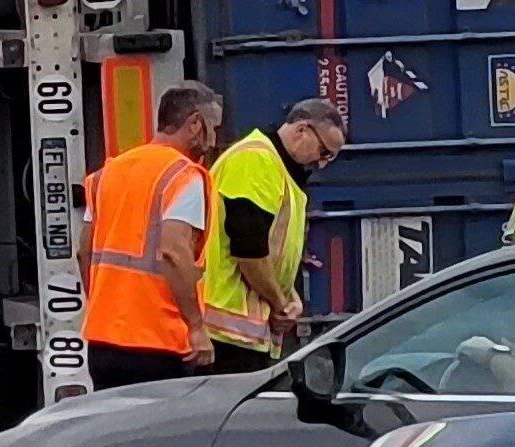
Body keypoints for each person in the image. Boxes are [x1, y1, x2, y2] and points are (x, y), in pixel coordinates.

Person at [81, 83, 223, 390]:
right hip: (158, 342)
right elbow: (173, 252)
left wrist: (106, 303)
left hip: (103, 342)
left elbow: (84, 251)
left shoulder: (109, 172)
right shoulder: (183, 175)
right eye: (214, 127)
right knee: (160, 436)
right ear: (195, 124)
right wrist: (196, 327)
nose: (214, 140)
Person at [202, 92, 347, 368]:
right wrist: (280, 303)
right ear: (302, 130)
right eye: (324, 151)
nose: (323, 162)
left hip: (241, 332)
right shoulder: (256, 161)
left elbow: (275, 249)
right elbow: (249, 250)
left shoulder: (278, 169)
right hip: (225, 332)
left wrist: (290, 297)